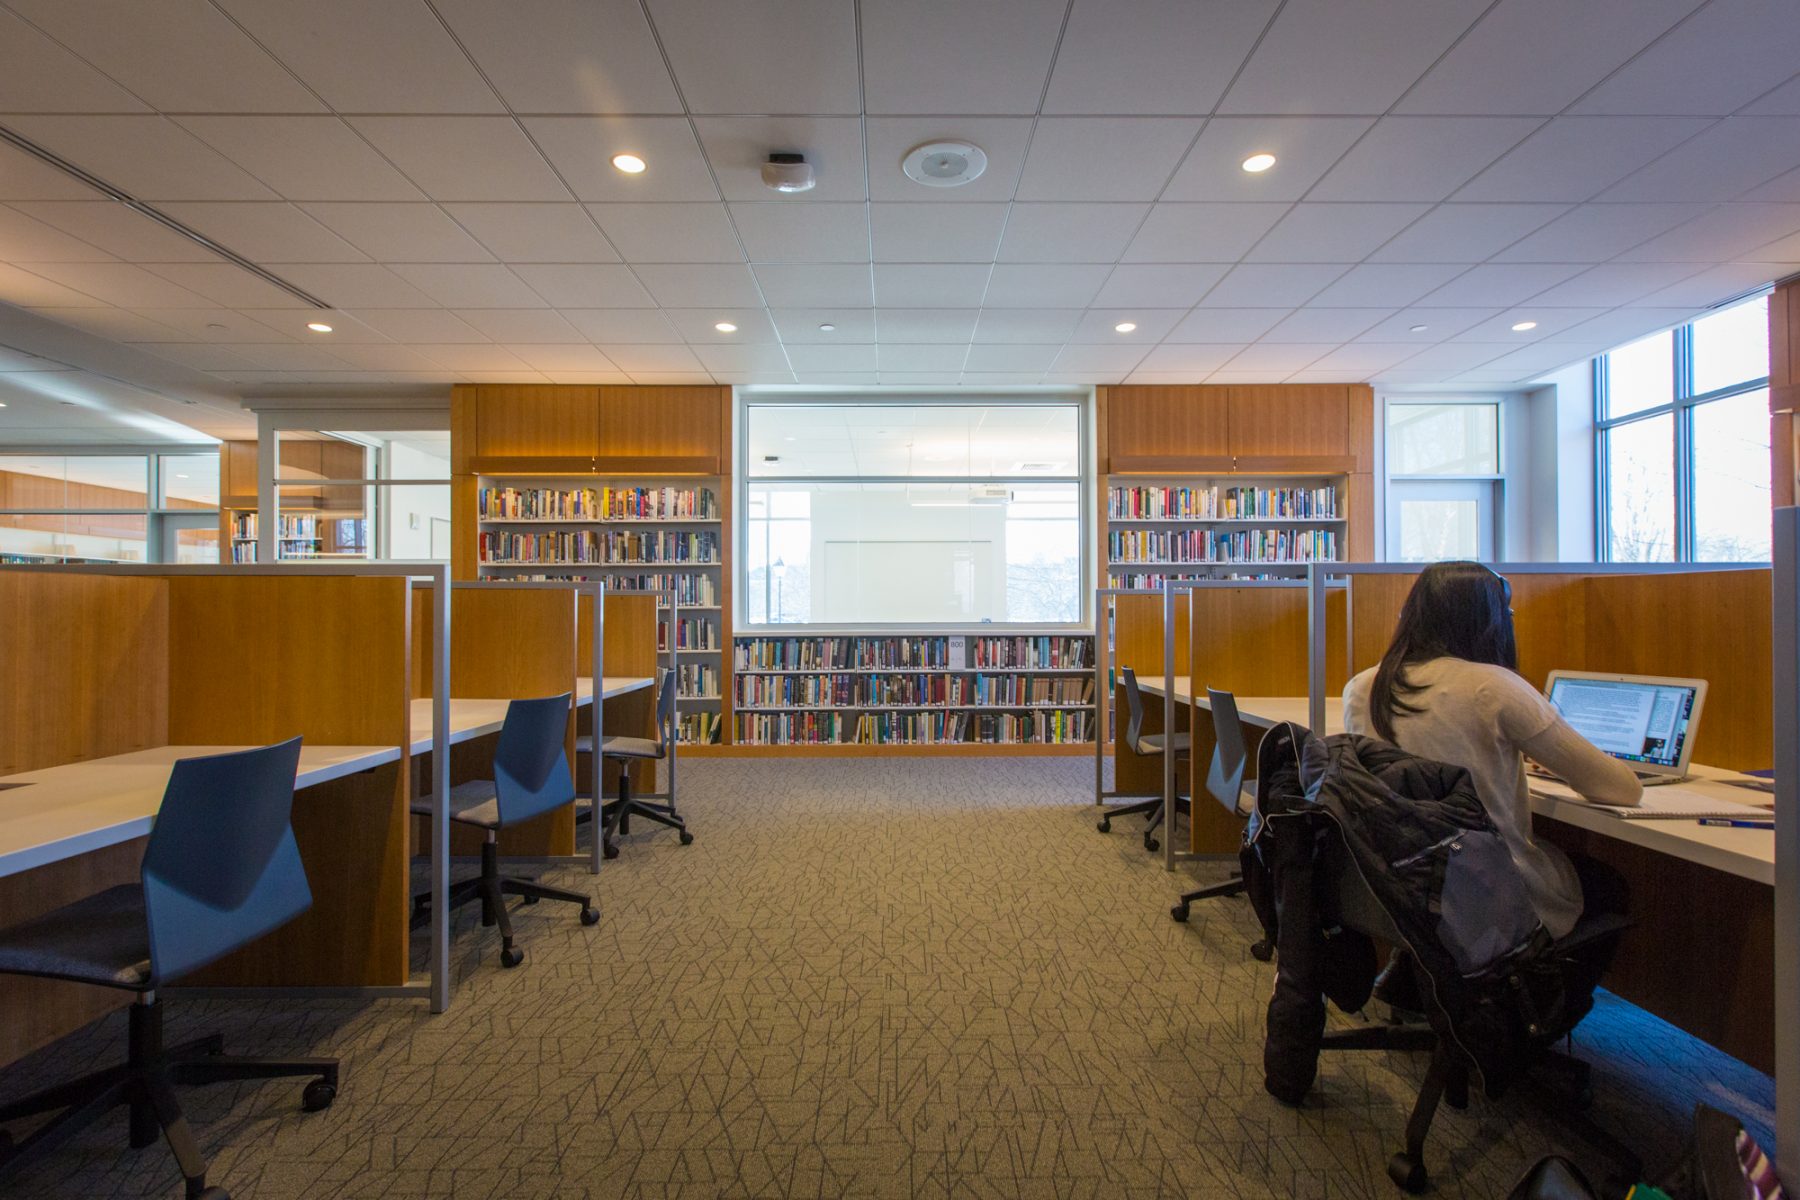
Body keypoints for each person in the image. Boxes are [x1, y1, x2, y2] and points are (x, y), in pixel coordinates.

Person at [1342, 561, 1640, 939]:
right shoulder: (1494, 687)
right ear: (1491, 618)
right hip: (1483, 884)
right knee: (1607, 882)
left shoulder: (1364, 686)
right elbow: (1621, 790)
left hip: (1400, 878)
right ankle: (1544, 991)